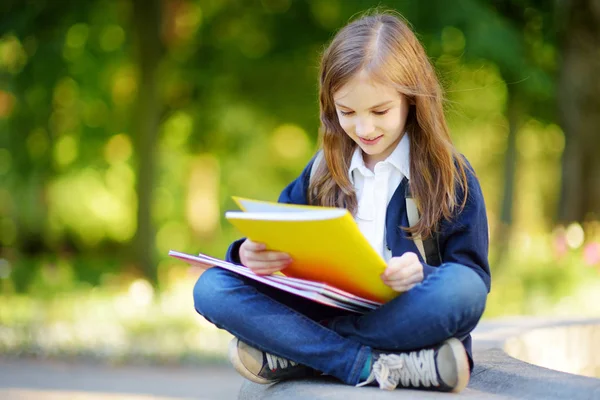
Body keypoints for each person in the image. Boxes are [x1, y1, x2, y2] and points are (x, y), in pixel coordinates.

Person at [193, 11, 490, 393]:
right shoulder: (322, 171)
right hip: (325, 306)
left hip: (407, 313)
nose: (364, 129)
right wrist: (249, 256)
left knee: (461, 290)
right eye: (347, 112)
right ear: (330, 105)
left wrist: (420, 275)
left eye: (380, 111)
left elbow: (472, 281)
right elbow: (282, 238)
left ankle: (301, 352)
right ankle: (368, 364)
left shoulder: (449, 175)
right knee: (212, 287)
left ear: (412, 100)